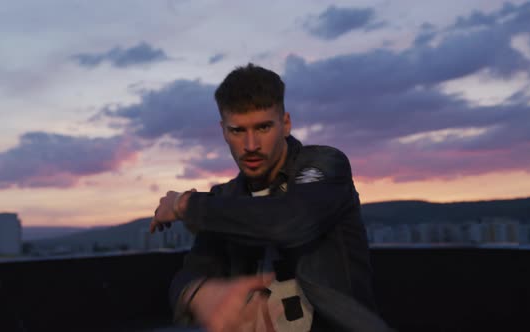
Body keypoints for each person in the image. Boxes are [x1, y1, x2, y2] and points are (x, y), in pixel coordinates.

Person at [151, 64, 390, 332]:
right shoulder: (224, 199)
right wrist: (197, 294)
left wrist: (183, 204)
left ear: (285, 124)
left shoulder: (323, 164)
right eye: (238, 131)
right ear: (223, 131)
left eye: (263, 127)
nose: (251, 145)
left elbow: (290, 221)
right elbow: (192, 271)